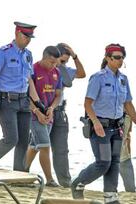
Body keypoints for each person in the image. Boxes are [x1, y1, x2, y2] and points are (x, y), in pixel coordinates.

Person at [71, 44, 136, 204]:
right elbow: (87, 104)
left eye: (122, 57)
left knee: (115, 162)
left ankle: (110, 196)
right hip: (100, 127)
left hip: (117, 127)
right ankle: (79, 182)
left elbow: (128, 104)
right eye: (117, 57)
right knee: (104, 162)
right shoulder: (98, 77)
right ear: (107, 58)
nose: (120, 60)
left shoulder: (123, 79)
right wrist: (96, 123)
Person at [0, 21, 41, 172]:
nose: (28, 40)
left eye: (30, 37)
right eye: (26, 36)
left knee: (23, 140)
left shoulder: (28, 55)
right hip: (6, 101)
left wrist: (38, 103)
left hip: (24, 101)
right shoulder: (3, 53)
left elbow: (29, 79)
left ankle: (19, 174)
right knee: (11, 139)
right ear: (17, 33)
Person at [25, 46, 62, 187]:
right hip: (34, 115)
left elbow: (58, 95)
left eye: (56, 62)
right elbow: (26, 95)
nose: (54, 65)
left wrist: (52, 108)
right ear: (44, 57)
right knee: (45, 146)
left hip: (49, 115)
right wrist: (36, 111)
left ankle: (22, 172)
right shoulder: (32, 70)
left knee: (34, 146)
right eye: (51, 62)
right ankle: (50, 180)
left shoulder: (57, 72)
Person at [50, 43, 86, 188]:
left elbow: (82, 74)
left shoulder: (65, 71)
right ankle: (23, 173)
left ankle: (65, 182)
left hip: (59, 111)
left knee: (61, 149)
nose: (62, 63)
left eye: (66, 61)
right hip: (43, 110)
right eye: (61, 60)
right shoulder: (44, 68)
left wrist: (75, 56)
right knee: (36, 145)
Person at [119, 113, 136, 192]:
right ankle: (130, 189)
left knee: (125, 155)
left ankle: (131, 189)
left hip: (126, 115)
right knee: (123, 158)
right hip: (117, 116)